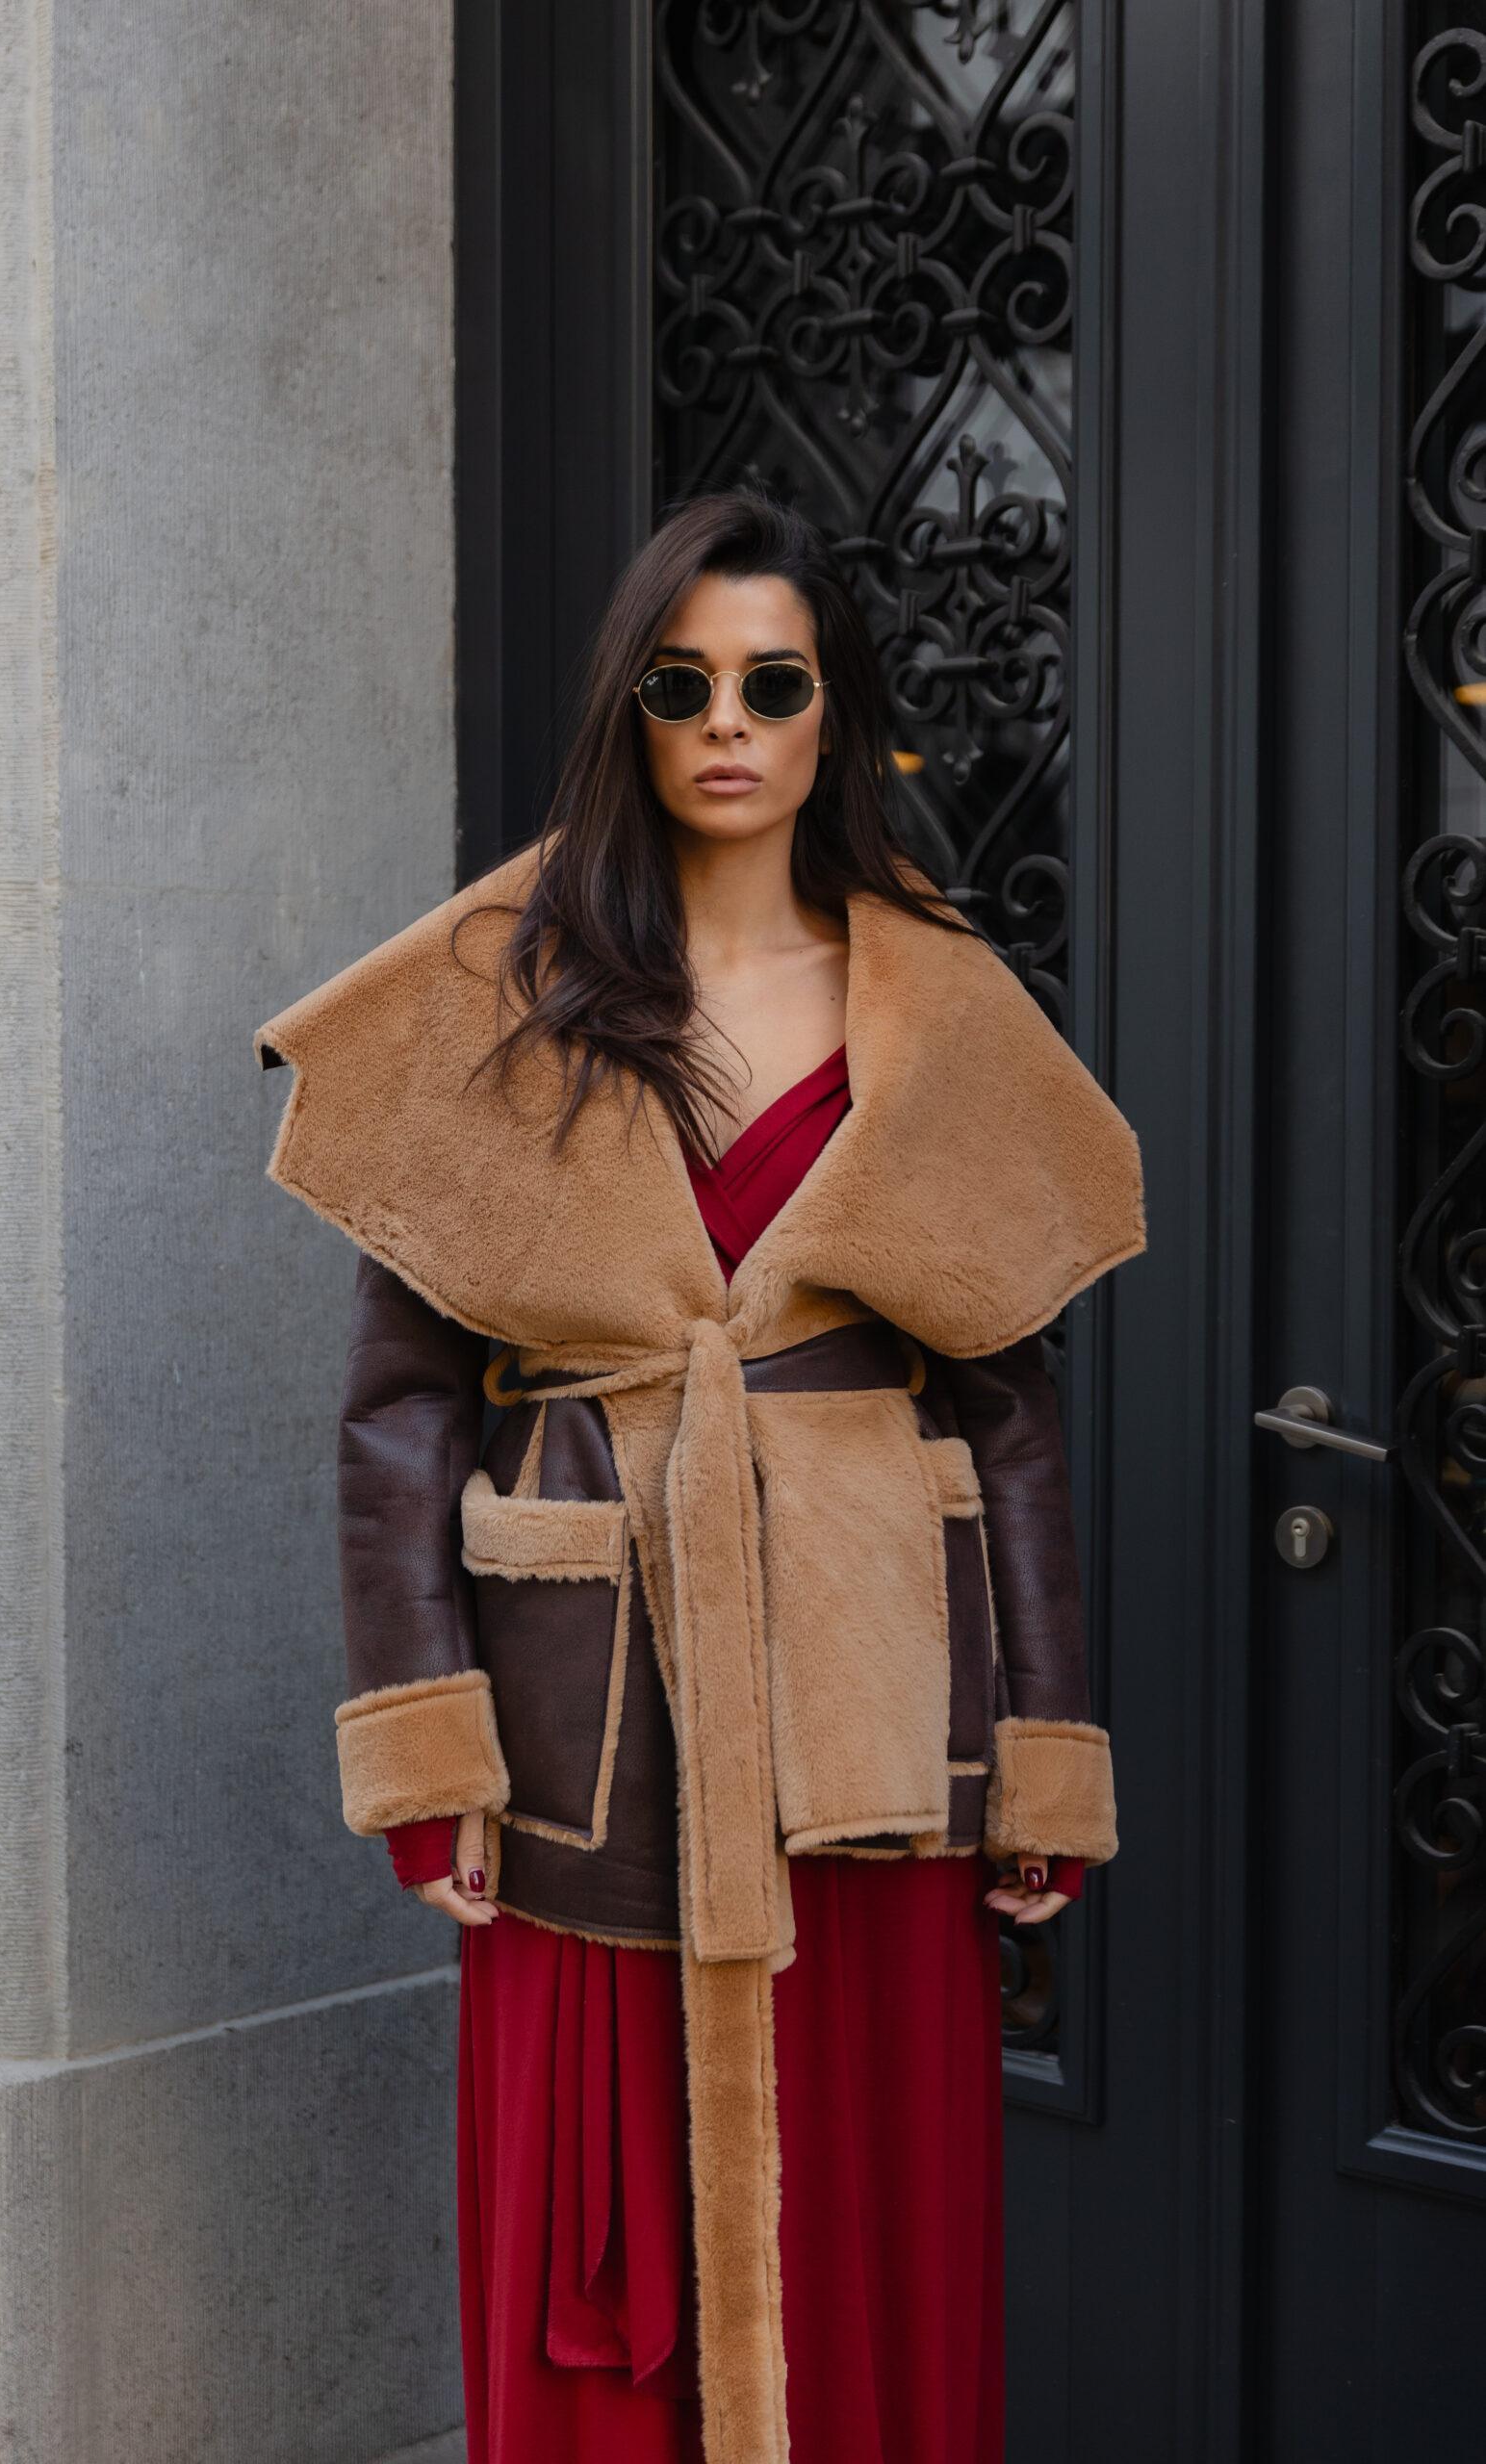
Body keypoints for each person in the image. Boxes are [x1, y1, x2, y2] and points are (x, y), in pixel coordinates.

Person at [254, 487, 1146, 2464]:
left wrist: (1042, 1756)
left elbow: (1007, 1411)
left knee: (869, 2234)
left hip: (874, 1718)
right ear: (630, 709)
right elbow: (399, 1409)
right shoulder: (501, 987)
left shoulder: (945, 1005)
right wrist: (429, 1754)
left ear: (835, 714)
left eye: (773, 682)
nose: (727, 721)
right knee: (596, 2268)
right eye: (682, 683)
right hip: (585, 1733)